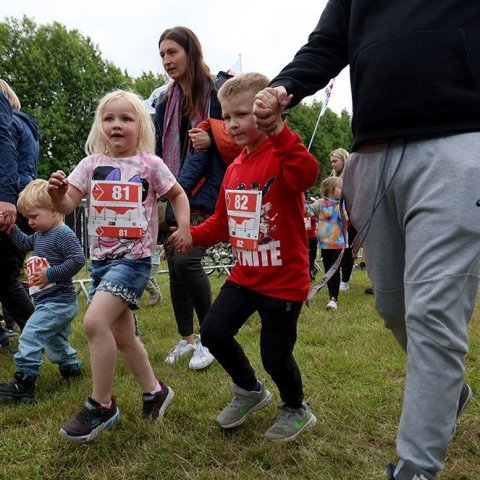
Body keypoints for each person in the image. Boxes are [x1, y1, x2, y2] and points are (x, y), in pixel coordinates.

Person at [253, 3, 479, 478]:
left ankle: (415, 468)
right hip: (372, 155)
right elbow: (329, 42)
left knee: (432, 313)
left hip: (458, 141)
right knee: (393, 307)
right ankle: (448, 391)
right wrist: (286, 86)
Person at [170, 72, 318, 442]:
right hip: (245, 276)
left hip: (283, 283)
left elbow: (307, 174)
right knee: (215, 333)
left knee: (275, 354)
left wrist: (280, 132)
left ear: (265, 112)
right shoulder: (234, 168)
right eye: (227, 116)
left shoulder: (282, 152)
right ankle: (250, 390)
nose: (232, 124)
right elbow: (223, 221)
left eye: (242, 114)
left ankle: (296, 408)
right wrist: (192, 236)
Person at [48, 89, 190, 443]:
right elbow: (67, 206)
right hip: (101, 263)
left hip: (135, 260)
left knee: (95, 322)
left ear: (140, 126)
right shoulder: (91, 165)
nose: (116, 125)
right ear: (100, 125)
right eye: (109, 118)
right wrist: (55, 193)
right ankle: (155, 391)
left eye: (126, 118)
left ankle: (101, 405)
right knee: (123, 335)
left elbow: (177, 194)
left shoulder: (150, 165)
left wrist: (184, 226)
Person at [154, 26, 223, 370]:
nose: (167, 60)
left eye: (172, 52)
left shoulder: (216, 91)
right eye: (162, 54)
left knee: (186, 260)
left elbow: (239, 135)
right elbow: (156, 150)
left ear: (190, 51)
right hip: (172, 190)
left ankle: (212, 339)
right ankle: (187, 339)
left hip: (205, 192)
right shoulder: (165, 101)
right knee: (176, 268)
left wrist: (216, 141)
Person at [0, 179, 85, 402]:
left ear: (54, 210)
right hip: (49, 302)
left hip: (59, 302)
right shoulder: (40, 235)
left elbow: (78, 260)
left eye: (34, 216)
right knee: (55, 342)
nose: (30, 222)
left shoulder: (64, 234)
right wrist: (11, 229)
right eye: (27, 217)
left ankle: (24, 384)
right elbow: (25, 243)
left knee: (30, 335)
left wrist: (50, 274)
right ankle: (71, 368)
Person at [0, 80, 38, 343]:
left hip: (9, 199)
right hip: (22, 198)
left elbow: (7, 157)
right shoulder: (26, 125)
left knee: (6, 279)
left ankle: (41, 337)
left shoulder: (10, 124)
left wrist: (5, 198)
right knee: (8, 276)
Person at [307, 176, 348, 310]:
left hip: (338, 244)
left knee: (334, 272)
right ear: (330, 189)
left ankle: (333, 299)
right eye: (340, 188)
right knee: (328, 271)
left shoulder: (341, 204)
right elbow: (307, 212)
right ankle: (332, 296)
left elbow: (347, 218)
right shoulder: (319, 203)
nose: (343, 190)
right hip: (325, 244)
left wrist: (345, 207)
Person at [329, 148, 355, 292]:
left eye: (335, 161)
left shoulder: (351, 176)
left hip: (351, 216)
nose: (332, 164)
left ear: (343, 160)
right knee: (339, 247)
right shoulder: (334, 177)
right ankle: (344, 275)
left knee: (348, 248)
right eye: (331, 162)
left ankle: (345, 281)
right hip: (337, 216)